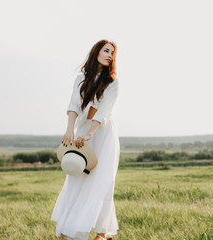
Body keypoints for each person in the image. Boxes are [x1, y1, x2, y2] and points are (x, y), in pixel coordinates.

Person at [51, 40, 120, 240]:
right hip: (81, 130)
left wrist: (90, 133)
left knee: (102, 180)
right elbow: (74, 104)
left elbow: (105, 110)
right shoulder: (81, 78)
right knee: (78, 177)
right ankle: (72, 229)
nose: (110, 55)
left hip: (102, 133)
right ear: (96, 52)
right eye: (106, 50)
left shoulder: (112, 81)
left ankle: (102, 232)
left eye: (113, 53)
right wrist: (70, 129)